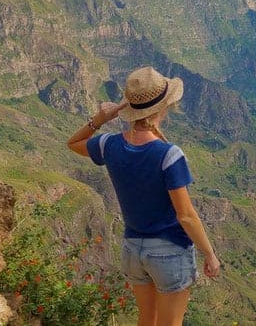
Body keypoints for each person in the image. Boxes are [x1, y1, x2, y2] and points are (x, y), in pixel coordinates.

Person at [67, 66, 221, 326]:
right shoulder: (169, 155)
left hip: (132, 250)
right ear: (163, 107)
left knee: (146, 321)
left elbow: (73, 143)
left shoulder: (109, 145)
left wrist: (100, 119)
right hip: (168, 251)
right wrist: (210, 254)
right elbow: (185, 215)